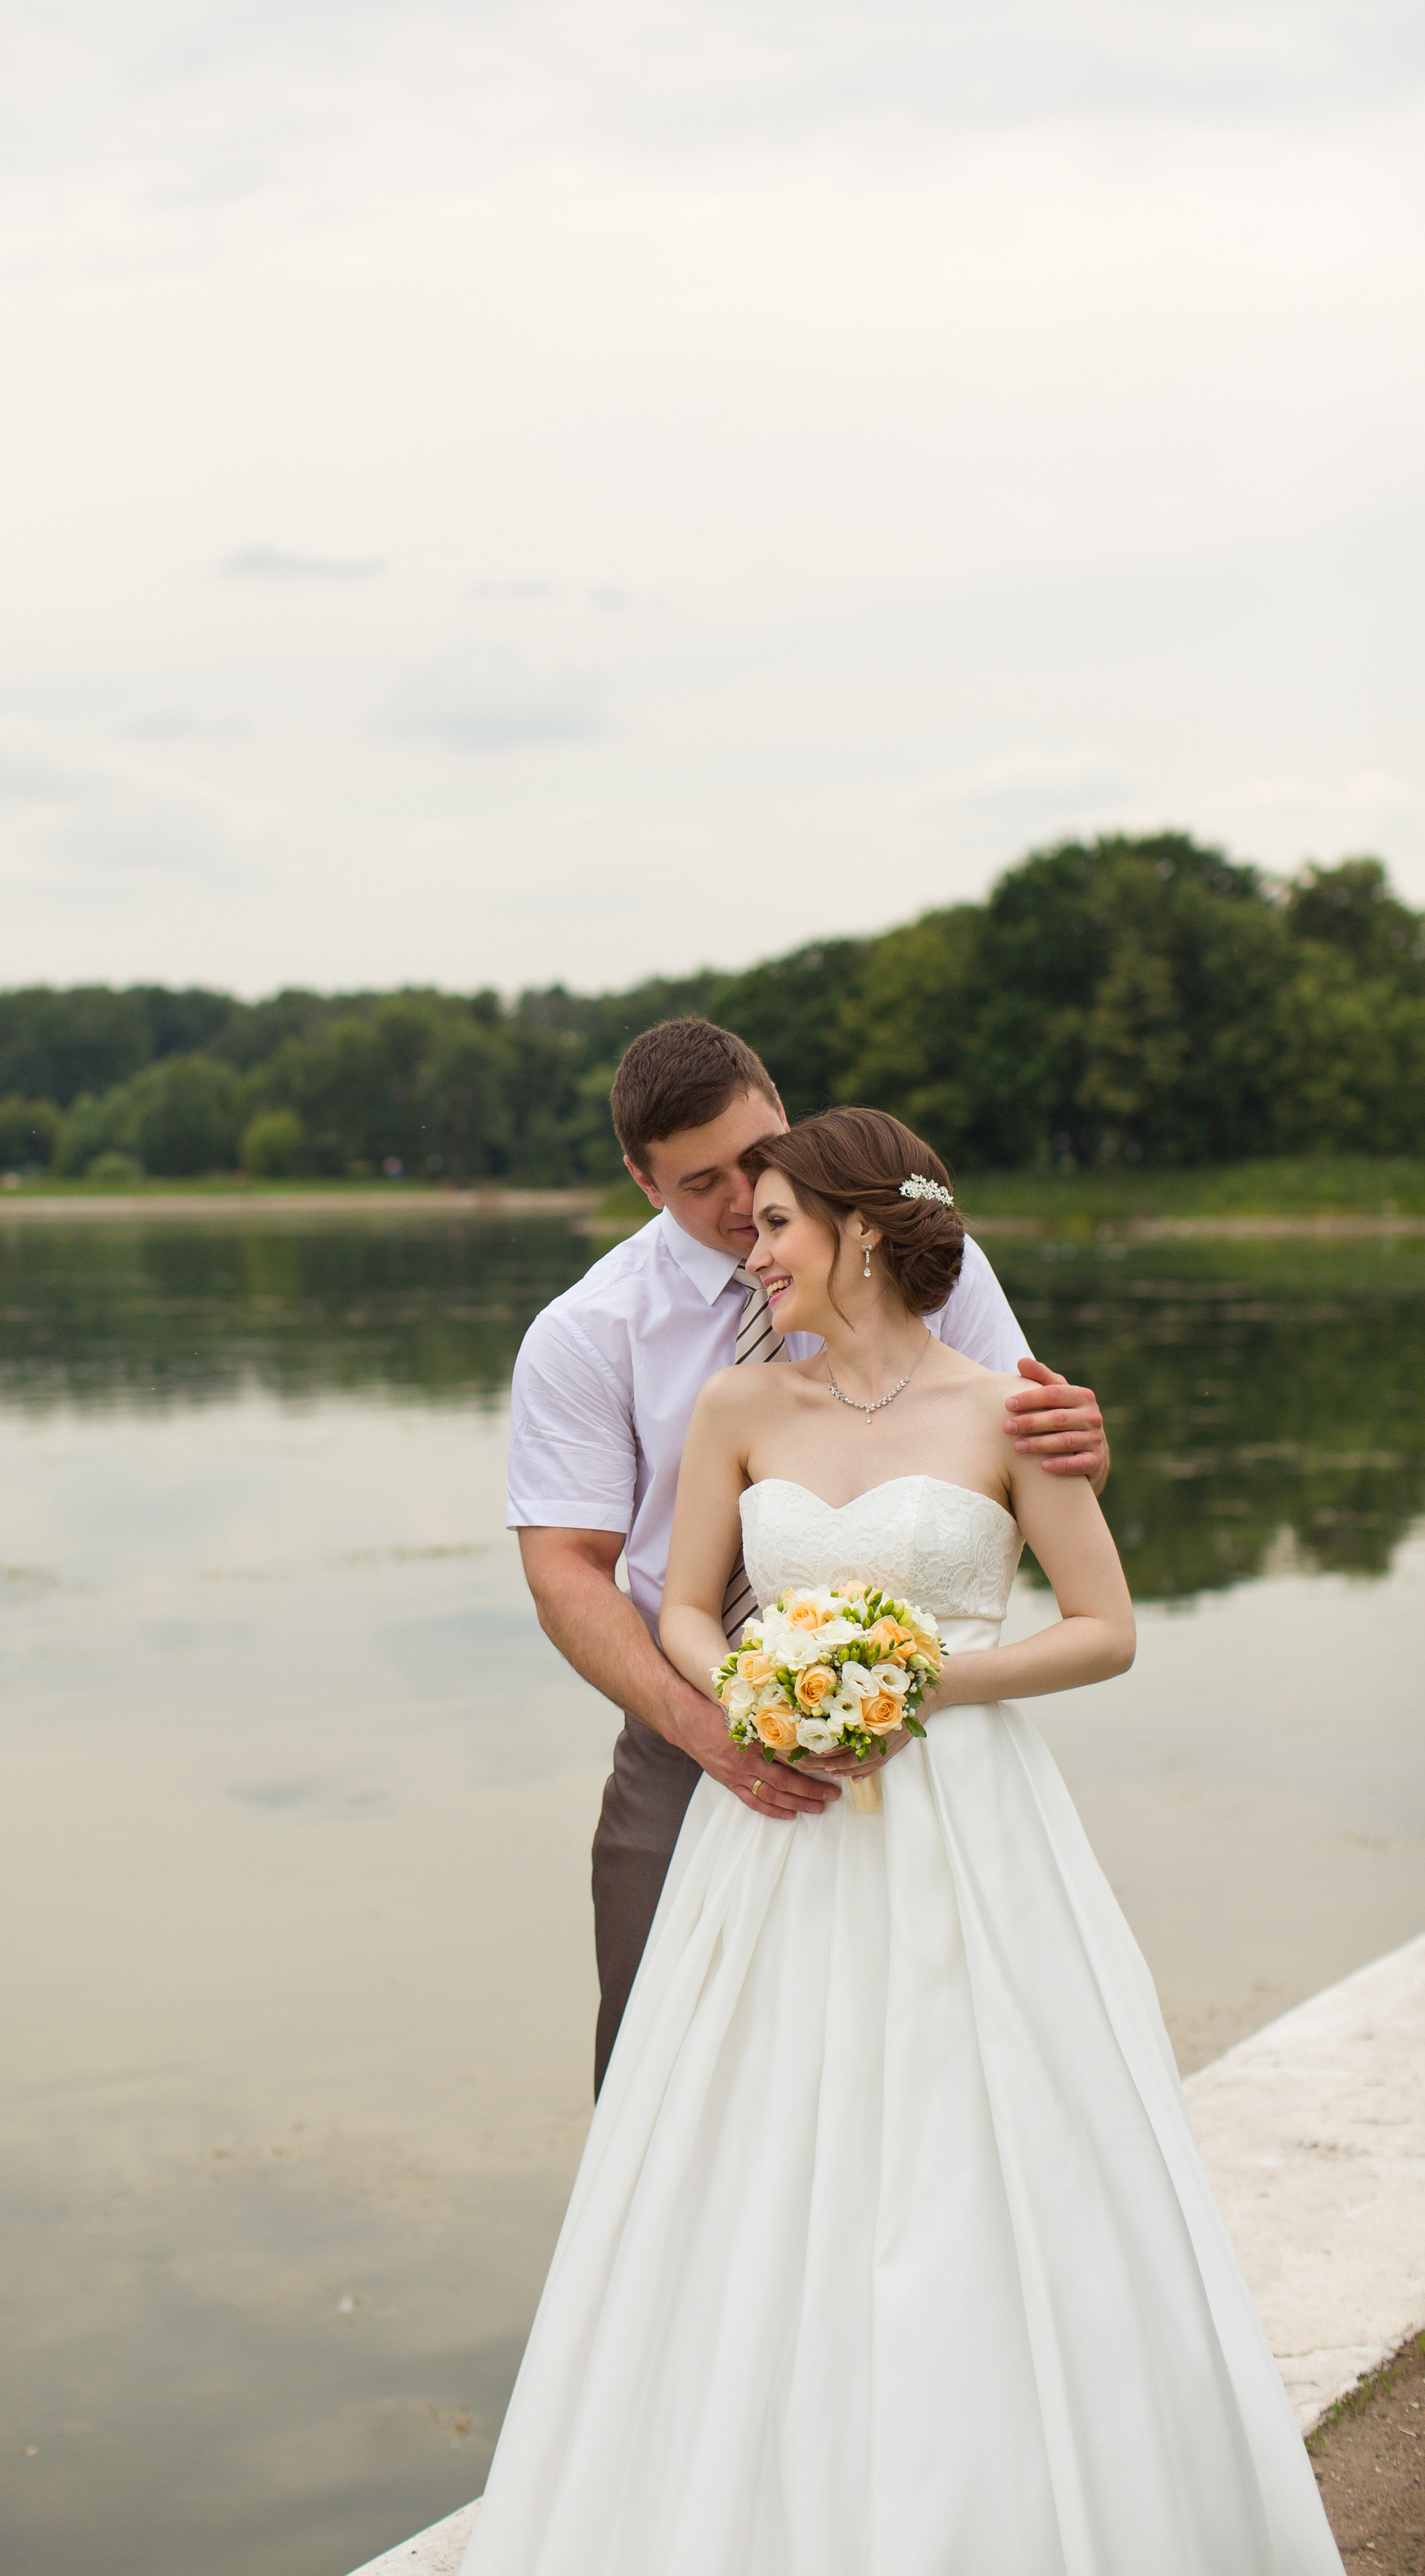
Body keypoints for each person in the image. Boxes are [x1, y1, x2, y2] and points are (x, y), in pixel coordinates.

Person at [465, 1106, 1341, 2576]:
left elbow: (1104, 1628)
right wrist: (758, 1693)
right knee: (728, 2135)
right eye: (731, 1218)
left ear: (862, 1233)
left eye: (777, 1225)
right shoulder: (730, 1407)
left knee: (979, 2137)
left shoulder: (1006, 1405)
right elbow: (670, 1600)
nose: (754, 1249)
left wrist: (915, 1682)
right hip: (772, 1810)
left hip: (969, 1820)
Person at [506, 1018, 1108, 2091]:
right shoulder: (586, 1332)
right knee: (665, 2072)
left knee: (961, 2078)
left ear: (782, 1107)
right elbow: (565, 1570)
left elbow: (1018, 1479)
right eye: (703, 1184)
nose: (745, 1202)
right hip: (683, 1717)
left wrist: (1080, 1452)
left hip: (936, 1746)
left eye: (759, 1156)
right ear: (644, 1183)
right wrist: (714, 1725)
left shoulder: (933, 1264)